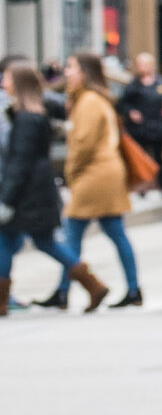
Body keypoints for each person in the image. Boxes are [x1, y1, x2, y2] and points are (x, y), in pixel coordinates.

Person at [3, 61, 92, 313]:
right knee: (30, 241)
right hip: (34, 192)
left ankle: (92, 285)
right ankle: (91, 284)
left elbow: (20, 162)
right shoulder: (31, 115)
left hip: (28, 195)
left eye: (8, 78)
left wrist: (7, 199)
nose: (4, 83)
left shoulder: (27, 118)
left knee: (35, 241)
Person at [57, 53, 140, 309]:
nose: (66, 72)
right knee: (110, 231)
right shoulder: (91, 98)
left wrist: (70, 174)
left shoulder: (89, 100)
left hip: (94, 174)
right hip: (104, 173)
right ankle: (132, 289)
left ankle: (69, 290)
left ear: (84, 71)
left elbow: (83, 145)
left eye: (71, 67)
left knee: (72, 232)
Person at [119, 52, 162, 196]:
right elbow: (123, 104)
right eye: (140, 64)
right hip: (139, 128)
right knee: (140, 158)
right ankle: (142, 187)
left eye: (144, 64)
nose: (142, 67)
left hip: (157, 126)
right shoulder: (133, 85)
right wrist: (131, 112)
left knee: (159, 158)